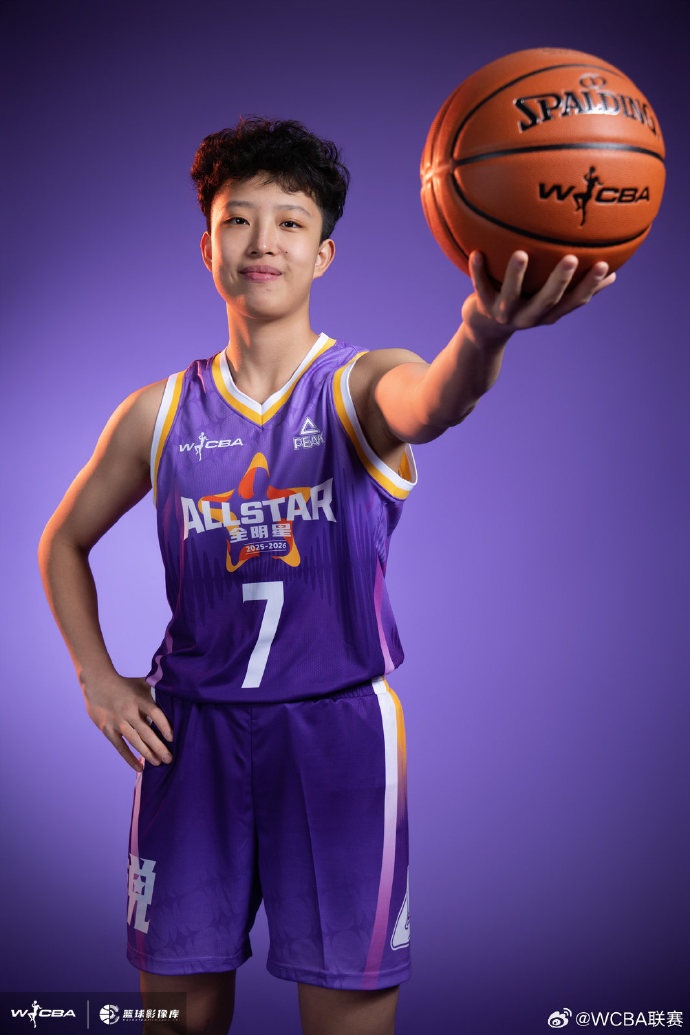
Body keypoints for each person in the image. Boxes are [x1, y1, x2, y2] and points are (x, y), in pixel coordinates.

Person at [38, 117, 615, 1035]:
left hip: (335, 733)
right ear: (208, 247)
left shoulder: (360, 383)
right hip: (190, 736)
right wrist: (97, 678)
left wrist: (484, 334)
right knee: (174, 1021)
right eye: (237, 220)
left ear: (324, 253)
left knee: (346, 1020)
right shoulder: (159, 411)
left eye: (291, 222)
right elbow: (63, 541)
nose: (262, 242)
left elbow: (434, 401)